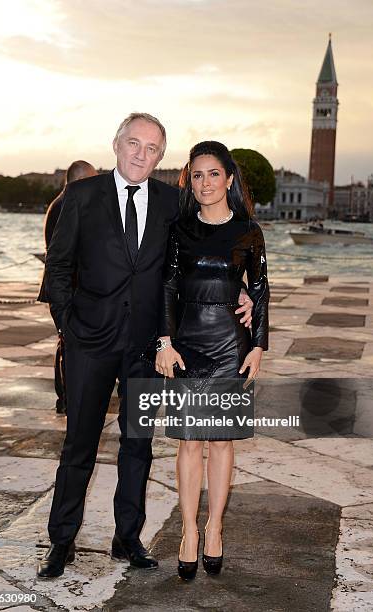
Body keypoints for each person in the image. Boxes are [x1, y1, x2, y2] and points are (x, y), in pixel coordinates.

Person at [37, 114, 253, 579]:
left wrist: (239, 288)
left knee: (138, 445)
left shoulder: (171, 202)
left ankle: (127, 538)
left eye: (151, 148)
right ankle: (61, 540)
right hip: (89, 344)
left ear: (160, 156)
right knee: (80, 444)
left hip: (146, 348)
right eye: (133, 143)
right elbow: (56, 270)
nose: (140, 154)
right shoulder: (80, 197)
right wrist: (68, 326)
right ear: (117, 144)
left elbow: (197, 255)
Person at [155, 141, 270, 580]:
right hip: (186, 343)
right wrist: (164, 342)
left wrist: (258, 344)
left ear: (229, 179)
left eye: (213, 174)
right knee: (189, 442)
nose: (205, 183)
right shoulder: (179, 229)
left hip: (230, 346)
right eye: (197, 175)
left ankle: (215, 526)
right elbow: (166, 287)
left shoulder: (248, 231)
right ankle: (187, 532)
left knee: (222, 442)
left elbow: (259, 290)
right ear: (191, 180)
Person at [37, 161, 98, 414]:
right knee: (70, 346)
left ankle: (66, 397)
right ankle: (68, 399)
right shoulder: (67, 205)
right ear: (80, 180)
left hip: (65, 288)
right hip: (68, 290)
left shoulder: (60, 203)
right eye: (93, 180)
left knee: (67, 344)